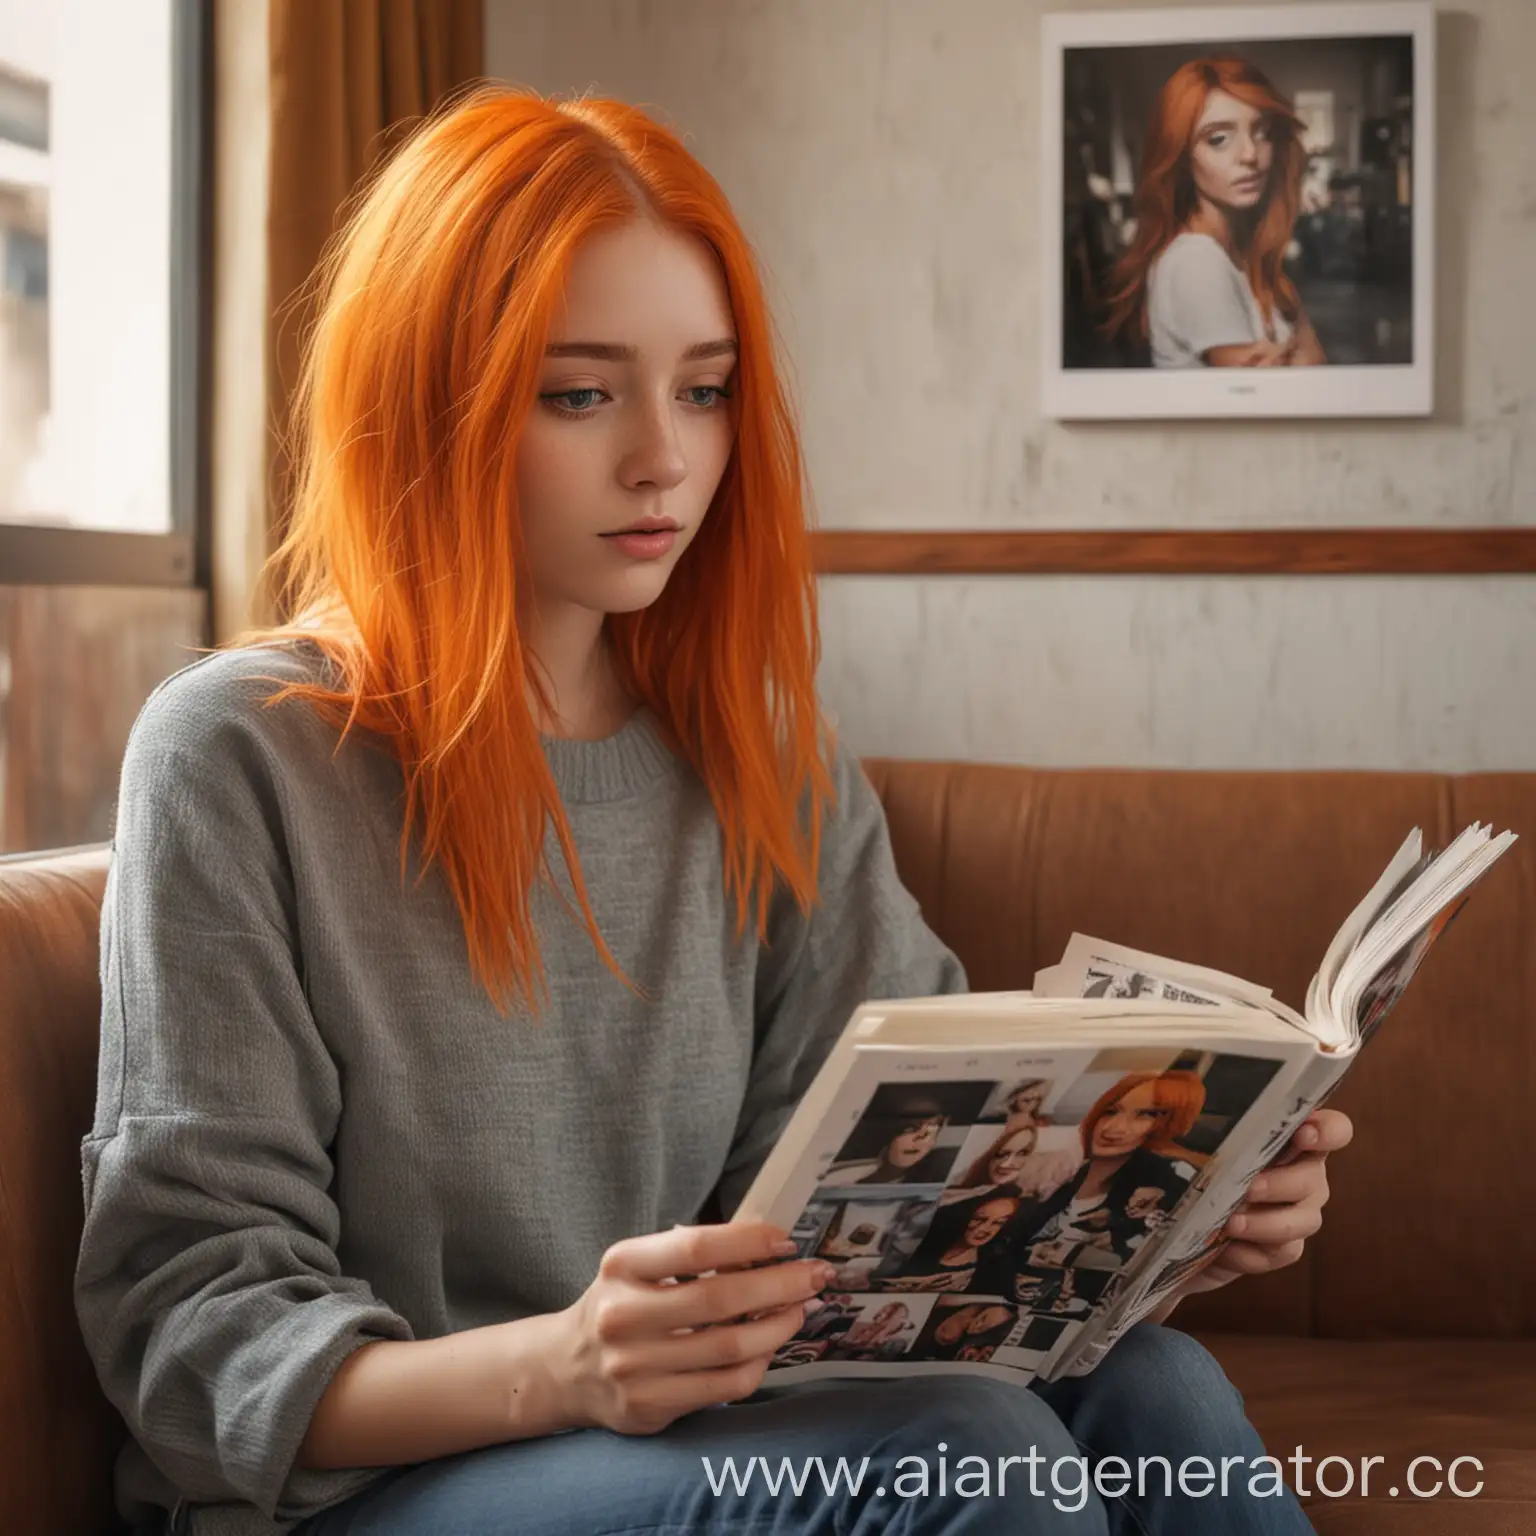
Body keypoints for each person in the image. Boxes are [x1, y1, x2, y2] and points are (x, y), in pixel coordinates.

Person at [73, 84, 1348, 1536]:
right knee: (958, 1450)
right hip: (374, 1487)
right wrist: (566, 1366)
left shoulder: (760, 757)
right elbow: (195, 1330)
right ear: (429, 404)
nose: (662, 460)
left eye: (704, 387)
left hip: (700, 1433)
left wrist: (1165, 1220)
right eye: (579, 392)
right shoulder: (240, 754)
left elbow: (917, 1215)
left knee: (1157, 1393)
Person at [1103, 56, 1328, 369]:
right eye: (1219, 139)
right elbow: (1264, 400)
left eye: (1261, 132)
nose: (1250, 154)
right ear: (1181, 158)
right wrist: (1300, 345)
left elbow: (1311, 359)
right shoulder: (1196, 261)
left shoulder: (1240, 251)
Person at [820, 1091, 954, 1186]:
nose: (920, 1138)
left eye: (932, 1128)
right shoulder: (843, 1174)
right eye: (911, 1127)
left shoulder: (939, 1172)